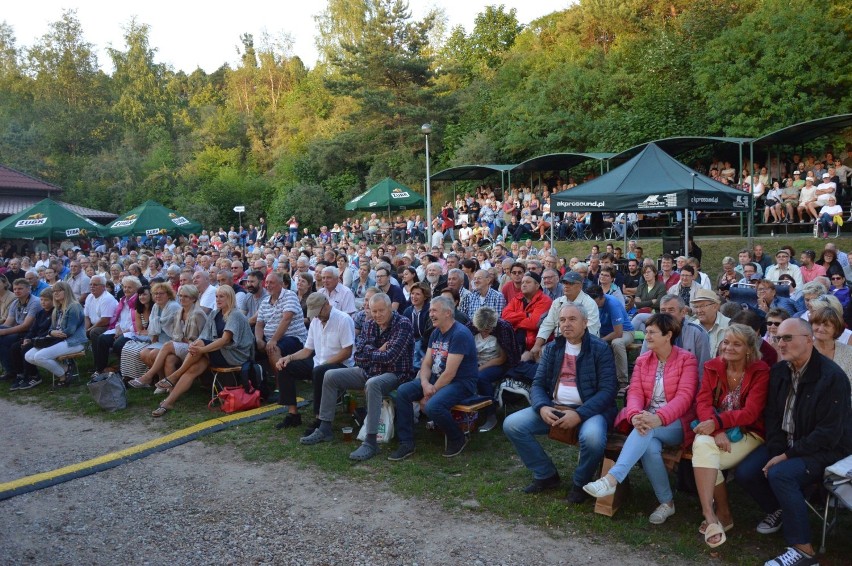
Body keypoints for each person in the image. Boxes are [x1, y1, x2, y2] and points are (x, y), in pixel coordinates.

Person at [736, 318, 852, 566]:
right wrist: (778, 450)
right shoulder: (779, 372)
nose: (781, 343)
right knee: (746, 472)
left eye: (788, 338)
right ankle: (782, 508)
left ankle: (804, 551)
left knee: (781, 475)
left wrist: (786, 456)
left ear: (809, 340)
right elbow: (773, 417)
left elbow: (829, 433)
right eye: (778, 338)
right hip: (787, 443)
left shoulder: (832, 378)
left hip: (825, 449)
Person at [583, 313, 698, 525]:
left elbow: (685, 397)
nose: (647, 337)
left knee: (646, 430)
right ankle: (667, 503)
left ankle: (611, 479)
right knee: (650, 446)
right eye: (646, 332)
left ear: (668, 335)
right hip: (647, 421)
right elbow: (634, 391)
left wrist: (658, 418)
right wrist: (635, 414)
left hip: (676, 423)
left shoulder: (686, 360)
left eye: (652, 332)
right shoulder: (644, 360)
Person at [504, 304, 618, 503]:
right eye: (563, 320)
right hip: (554, 407)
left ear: (585, 323)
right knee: (512, 424)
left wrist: (580, 414)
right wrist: (542, 406)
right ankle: (545, 474)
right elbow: (538, 383)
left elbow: (608, 391)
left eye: (572, 319)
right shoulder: (552, 348)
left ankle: (580, 483)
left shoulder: (600, 349)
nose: (566, 324)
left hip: (589, 411)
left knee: (592, 439)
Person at [300, 293, 413, 462]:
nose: (377, 315)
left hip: (395, 374)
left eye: (381, 310)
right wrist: (377, 351)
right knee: (330, 375)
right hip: (368, 369)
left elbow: (390, 357)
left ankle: (371, 440)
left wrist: (370, 352)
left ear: (390, 308)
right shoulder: (369, 324)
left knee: (373, 384)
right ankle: (325, 427)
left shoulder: (403, 324)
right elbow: (358, 355)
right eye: (374, 311)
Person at [691, 324, 770, 547]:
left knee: (703, 455)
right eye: (726, 342)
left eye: (737, 344)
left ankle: (722, 514)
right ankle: (711, 514)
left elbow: (751, 412)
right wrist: (716, 431)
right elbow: (703, 401)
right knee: (704, 446)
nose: (729, 347)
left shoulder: (760, 370)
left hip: (749, 432)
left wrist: (717, 423)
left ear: (748, 349)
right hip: (716, 431)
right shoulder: (713, 366)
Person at [390, 296, 478, 460]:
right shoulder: (436, 332)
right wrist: (424, 384)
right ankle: (406, 442)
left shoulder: (460, 334)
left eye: (434, 310)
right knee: (403, 391)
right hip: (436, 380)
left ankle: (458, 437)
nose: (430, 314)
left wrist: (429, 393)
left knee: (432, 406)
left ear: (448, 313)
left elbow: (450, 373)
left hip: (461, 383)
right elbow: (426, 364)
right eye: (430, 310)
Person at [152, 286, 253, 416]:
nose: (218, 299)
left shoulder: (235, 314)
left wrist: (201, 349)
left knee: (199, 345)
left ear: (230, 298)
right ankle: (168, 402)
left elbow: (225, 340)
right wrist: (195, 347)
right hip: (217, 352)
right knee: (193, 369)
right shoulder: (215, 313)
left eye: (222, 296)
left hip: (234, 354)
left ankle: (175, 376)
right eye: (216, 296)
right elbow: (204, 336)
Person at [275, 293, 355, 432]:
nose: (317, 316)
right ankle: (293, 414)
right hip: (319, 362)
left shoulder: (343, 319)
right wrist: (289, 357)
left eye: (318, 312)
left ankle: (320, 418)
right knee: (285, 366)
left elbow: (346, 351)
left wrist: (325, 364)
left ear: (326, 304)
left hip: (341, 364)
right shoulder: (315, 321)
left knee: (319, 371)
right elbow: (307, 350)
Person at [130, 284, 207, 389]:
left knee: (166, 346)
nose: (181, 299)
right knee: (166, 358)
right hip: (179, 344)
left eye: (186, 296)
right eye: (180, 296)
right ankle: (168, 387)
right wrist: (179, 339)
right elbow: (176, 333)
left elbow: (204, 337)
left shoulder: (198, 314)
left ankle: (148, 376)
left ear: (193, 298)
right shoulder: (180, 311)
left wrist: (182, 340)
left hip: (194, 349)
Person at [25, 282, 87, 386]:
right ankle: (66, 369)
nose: (55, 293)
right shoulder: (58, 308)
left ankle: (63, 376)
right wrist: (52, 332)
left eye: (59, 291)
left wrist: (55, 333)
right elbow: (51, 328)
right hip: (57, 339)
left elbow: (70, 331)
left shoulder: (74, 306)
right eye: (54, 291)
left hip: (73, 342)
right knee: (29, 355)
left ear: (66, 291)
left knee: (40, 357)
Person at [471, 306, 521, 433]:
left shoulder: (503, 328)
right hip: (474, 361)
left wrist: (480, 368)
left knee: (481, 377)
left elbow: (502, 358)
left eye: (488, 329)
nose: (485, 332)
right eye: (482, 329)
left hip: (497, 363)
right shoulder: (470, 327)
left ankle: (491, 414)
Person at [8, 288, 54, 391]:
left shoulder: (54, 313)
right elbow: (33, 329)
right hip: (34, 338)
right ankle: (20, 374)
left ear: (53, 300)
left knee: (26, 349)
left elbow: (49, 330)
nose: (43, 302)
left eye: (46, 300)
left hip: (45, 339)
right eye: (41, 300)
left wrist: (32, 340)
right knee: (15, 347)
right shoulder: (40, 313)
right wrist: (28, 338)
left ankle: (34, 376)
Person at [0, 278, 44, 380]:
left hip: (31, 333)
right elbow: (8, 323)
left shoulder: (35, 302)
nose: (16, 291)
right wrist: (3, 330)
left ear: (28, 289)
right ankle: (11, 370)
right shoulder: (16, 302)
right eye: (15, 289)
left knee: (3, 339)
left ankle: (12, 371)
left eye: (20, 288)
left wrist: (4, 332)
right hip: (19, 331)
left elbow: (26, 326)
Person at [502, 272, 553, 354]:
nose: (524, 285)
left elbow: (534, 324)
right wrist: (525, 315)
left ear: (537, 286)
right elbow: (505, 317)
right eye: (523, 282)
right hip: (514, 341)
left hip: (533, 345)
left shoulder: (545, 300)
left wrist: (514, 322)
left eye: (528, 282)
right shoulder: (517, 298)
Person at [810, 305, 852, 384]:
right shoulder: (803, 350)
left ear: (836, 329)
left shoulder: (849, 353)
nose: (820, 329)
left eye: (826, 325)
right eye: (817, 323)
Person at [690, 289, 730, 356]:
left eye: (702, 306)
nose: (699, 310)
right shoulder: (692, 327)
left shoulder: (729, 325)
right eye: (696, 307)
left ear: (715, 306)